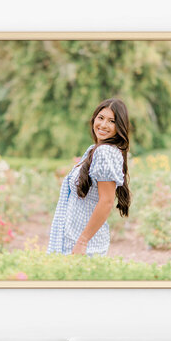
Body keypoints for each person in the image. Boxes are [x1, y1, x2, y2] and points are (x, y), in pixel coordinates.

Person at [47, 98, 131, 256]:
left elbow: (106, 202)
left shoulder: (104, 152)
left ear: (119, 127)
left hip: (82, 244)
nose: (104, 125)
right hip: (74, 238)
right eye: (101, 118)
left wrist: (82, 241)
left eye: (112, 121)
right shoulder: (95, 149)